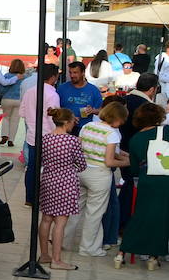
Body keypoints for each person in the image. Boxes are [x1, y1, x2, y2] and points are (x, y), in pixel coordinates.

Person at [71, 100, 130, 259]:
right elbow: (109, 161)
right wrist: (126, 162)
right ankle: (89, 247)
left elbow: (79, 149)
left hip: (81, 172)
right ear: (117, 119)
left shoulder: (87, 126)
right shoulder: (112, 134)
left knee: (74, 209)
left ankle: (64, 240)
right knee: (94, 213)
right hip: (99, 176)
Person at [121, 103, 169, 269]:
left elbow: (134, 169)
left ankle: (123, 251)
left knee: (140, 215)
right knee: (162, 218)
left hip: (147, 180)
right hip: (166, 180)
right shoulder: (166, 132)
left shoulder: (136, 139)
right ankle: (154, 256)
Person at [37, 107, 86, 271]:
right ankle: (57, 260)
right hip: (65, 183)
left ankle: (44, 254)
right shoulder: (72, 141)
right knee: (60, 223)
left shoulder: (45, 139)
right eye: (72, 121)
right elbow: (82, 165)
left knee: (46, 219)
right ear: (66, 122)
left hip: (48, 180)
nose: (73, 124)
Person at [20, 64, 62, 205]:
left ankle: (29, 198)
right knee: (50, 169)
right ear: (53, 78)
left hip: (32, 135)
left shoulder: (30, 91)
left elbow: (22, 113)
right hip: (49, 136)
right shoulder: (52, 94)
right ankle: (47, 198)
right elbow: (53, 118)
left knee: (32, 167)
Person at [58, 60, 102, 130]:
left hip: (85, 129)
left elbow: (101, 110)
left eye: (75, 73)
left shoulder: (93, 90)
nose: (72, 75)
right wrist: (68, 117)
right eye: (70, 72)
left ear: (83, 73)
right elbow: (56, 108)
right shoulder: (62, 88)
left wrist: (93, 111)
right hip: (65, 128)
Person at [0, 59, 25, 145]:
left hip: (7, 99)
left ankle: (4, 135)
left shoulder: (7, 75)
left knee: (6, 118)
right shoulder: (25, 77)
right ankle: (11, 140)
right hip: (19, 100)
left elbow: (1, 89)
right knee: (15, 121)